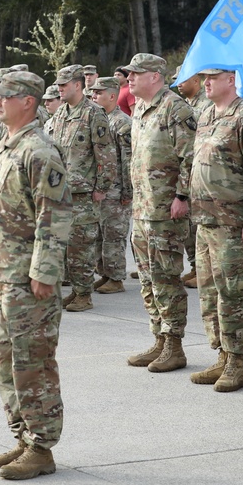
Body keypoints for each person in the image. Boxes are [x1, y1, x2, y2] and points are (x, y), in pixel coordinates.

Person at [0, 71, 70, 480]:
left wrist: (45, 272)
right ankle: (23, 438)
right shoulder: (7, 144)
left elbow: (54, 216)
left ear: (28, 101)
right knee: (7, 360)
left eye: (3, 97)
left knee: (33, 362)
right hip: (3, 273)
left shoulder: (40, 151)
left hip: (27, 278)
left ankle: (42, 447)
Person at [189, 68, 243, 391]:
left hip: (232, 221)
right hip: (204, 219)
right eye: (204, 77)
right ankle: (221, 352)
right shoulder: (207, 113)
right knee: (208, 292)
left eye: (214, 77)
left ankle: (237, 361)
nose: (206, 82)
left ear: (231, 80)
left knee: (232, 293)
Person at [124, 53, 195, 373]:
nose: (129, 78)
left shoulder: (176, 108)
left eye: (135, 74)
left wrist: (182, 196)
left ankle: (175, 344)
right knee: (148, 280)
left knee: (166, 278)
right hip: (142, 208)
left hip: (166, 210)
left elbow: (190, 157)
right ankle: (159, 338)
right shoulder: (140, 108)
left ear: (155, 76)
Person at [48, 64, 113, 312]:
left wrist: (102, 186)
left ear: (77, 85)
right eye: (58, 85)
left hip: (83, 192)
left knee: (81, 246)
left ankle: (84, 294)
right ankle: (75, 291)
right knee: (65, 246)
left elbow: (105, 153)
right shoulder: (60, 114)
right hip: (59, 191)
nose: (60, 89)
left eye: (64, 85)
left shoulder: (93, 113)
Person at [89, 77, 132, 294]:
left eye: (98, 93)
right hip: (100, 189)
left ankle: (116, 278)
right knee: (99, 234)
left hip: (116, 189)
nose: (94, 96)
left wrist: (127, 191)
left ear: (112, 96)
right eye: (93, 93)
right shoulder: (99, 119)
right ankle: (105, 273)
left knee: (114, 234)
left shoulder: (121, 122)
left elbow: (127, 159)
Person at [175, 67, 212, 288]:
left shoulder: (205, 105)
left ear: (196, 80)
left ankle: (202, 269)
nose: (178, 83)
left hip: (200, 173)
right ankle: (195, 266)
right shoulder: (188, 106)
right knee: (189, 227)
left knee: (197, 227)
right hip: (190, 172)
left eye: (182, 79)